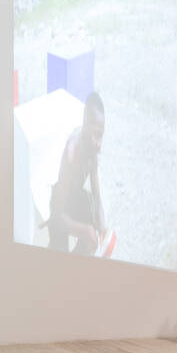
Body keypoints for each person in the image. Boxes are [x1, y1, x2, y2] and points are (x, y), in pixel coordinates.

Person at [48, 92, 109, 255]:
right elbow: (57, 216)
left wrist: (102, 226)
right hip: (59, 209)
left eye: (101, 136)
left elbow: (97, 196)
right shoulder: (71, 154)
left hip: (74, 198)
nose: (99, 144)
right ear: (85, 125)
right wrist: (84, 230)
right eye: (96, 134)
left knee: (93, 227)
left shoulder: (92, 149)